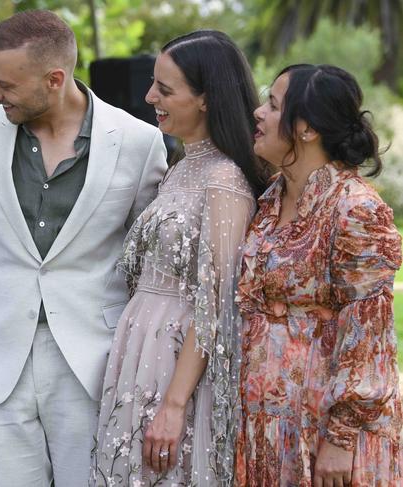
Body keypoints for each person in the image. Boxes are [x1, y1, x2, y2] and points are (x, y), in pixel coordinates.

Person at [0, 10, 167, 487]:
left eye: (4, 84)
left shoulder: (138, 142)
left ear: (54, 78)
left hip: (93, 361)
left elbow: (153, 260)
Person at [90, 31, 265, 486]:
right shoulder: (182, 167)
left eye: (165, 90)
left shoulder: (224, 179)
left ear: (207, 99)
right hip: (139, 350)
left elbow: (217, 302)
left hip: (176, 363)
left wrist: (173, 404)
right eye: (153, 84)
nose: (150, 97)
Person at [235, 64, 403, 486]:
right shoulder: (271, 199)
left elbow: (370, 339)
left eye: (272, 105)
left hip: (324, 437)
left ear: (306, 128)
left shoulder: (356, 209)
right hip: (266, 425)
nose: (257, 112)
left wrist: (341, 439)